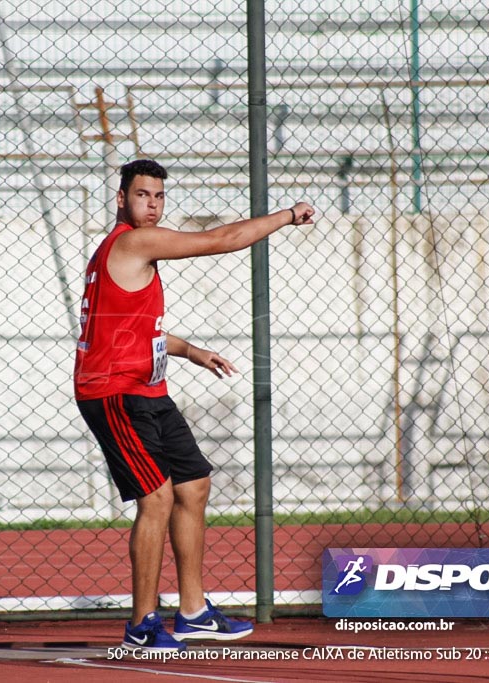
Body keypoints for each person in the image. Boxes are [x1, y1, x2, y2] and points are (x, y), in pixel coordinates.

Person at [73, 159, 315, 651]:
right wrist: (287, 215)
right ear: (122, 199)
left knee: (194, 485)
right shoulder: (132, 240)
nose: (153, 204)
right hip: (113, 392)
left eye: (159, 196)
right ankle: (142, 625)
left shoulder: (133, 252)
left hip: (148, 389)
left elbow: (138, 327)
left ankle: (193, 611)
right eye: (142, 195)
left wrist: (189, 351)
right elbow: (218, 241)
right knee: (157, 497)